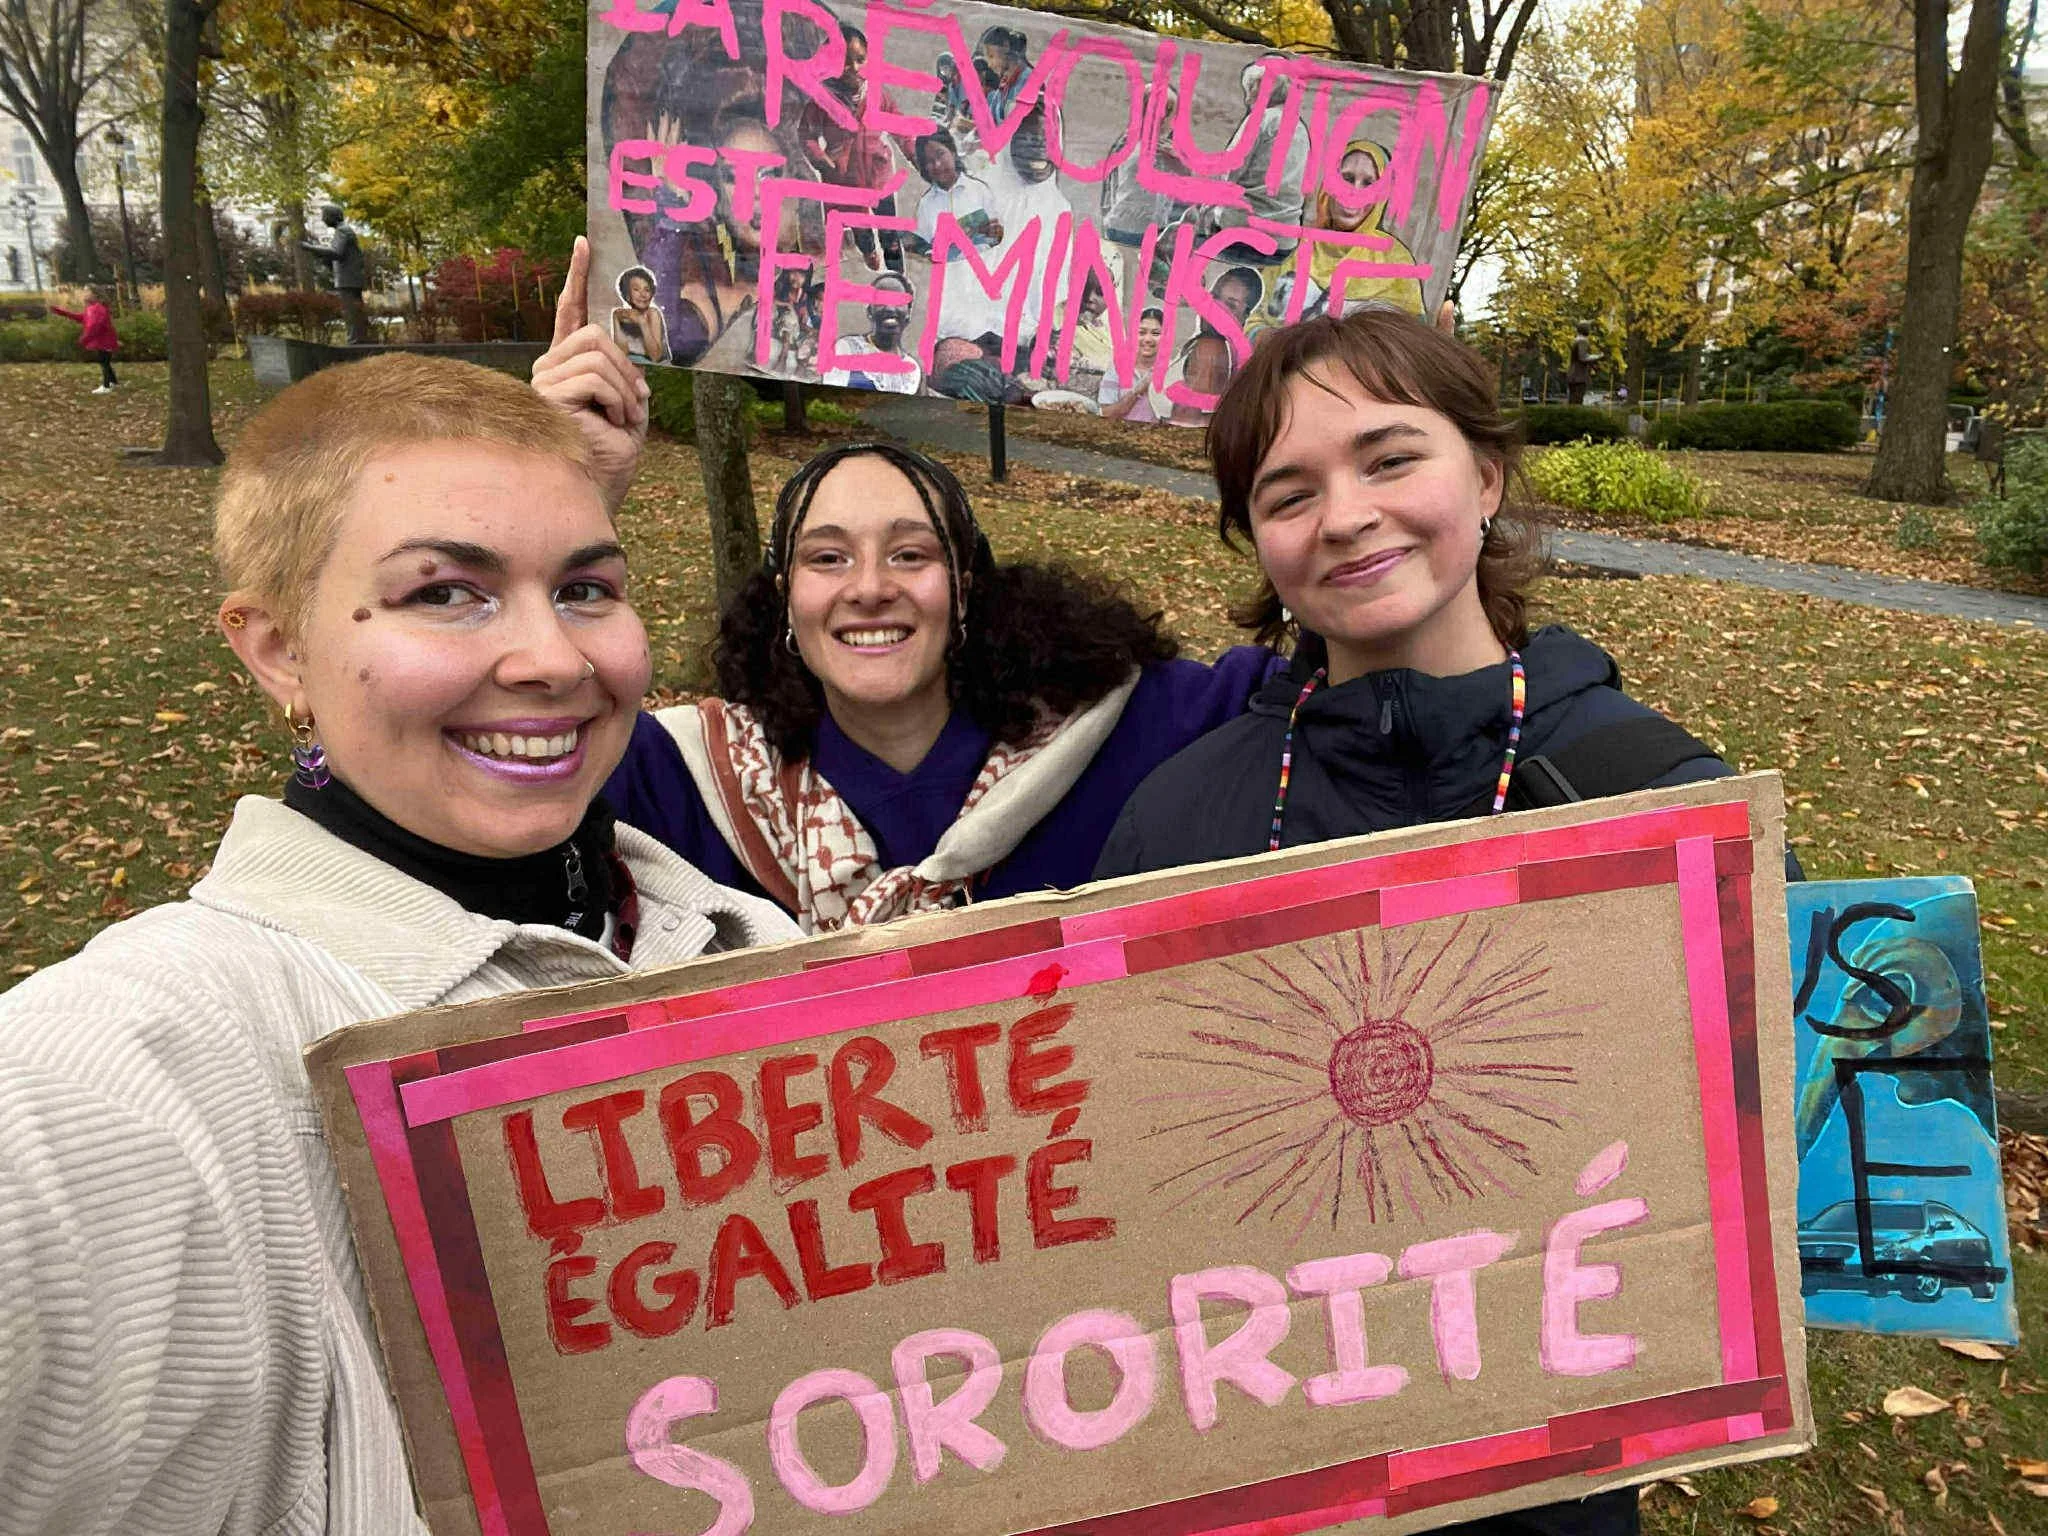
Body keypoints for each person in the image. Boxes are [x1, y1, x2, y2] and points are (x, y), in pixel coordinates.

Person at [0, 352, 796, 1534]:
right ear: (275, 650)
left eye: (585, 588)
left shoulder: (761, 952)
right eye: (445, 593)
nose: (555, 659)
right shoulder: (106, 1084)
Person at [798, 24, 915, 273]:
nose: (855, 69)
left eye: (861, 60)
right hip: (845, 181)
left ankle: (896, 278)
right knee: (860, 227)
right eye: (845, 62)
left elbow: (900, 128)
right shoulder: (822, 100)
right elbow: (806, 135)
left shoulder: (877, 95)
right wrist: (823, 163)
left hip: (879, 177)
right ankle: (868, 248)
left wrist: (918, 156)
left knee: (889, 232)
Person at [1304, 138, 1425, 319]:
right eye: (1347, 178)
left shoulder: (1395, 261)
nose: (1354, 191)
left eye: (1368, 183)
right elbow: (1254, 314)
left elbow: (1409, 339)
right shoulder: (1295, 246)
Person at [820, 269, 924, 393]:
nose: (890, 308)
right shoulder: (847, 349)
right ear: (870, 311)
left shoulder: (912, 371)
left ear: (908, 314)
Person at [1100, 306, 1167, 422]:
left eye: (1156, 333)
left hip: (1157, 438)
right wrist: (1138, 390)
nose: (1147, 339)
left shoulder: (1172, 372)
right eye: (1141, 332)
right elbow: (1105, 414)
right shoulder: (1117, 369)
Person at [49, 287, 119, 392]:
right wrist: (62, 312)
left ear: (95, 295)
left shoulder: (99, 309)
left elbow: (95, 326)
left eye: (87, 292)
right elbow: (82, 318)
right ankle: (113, 382)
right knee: (105, 362)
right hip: (101, 340)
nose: (84, 294)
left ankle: (106, 386)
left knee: (104, 362)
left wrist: (84, 339)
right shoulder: (91, 308)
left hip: (105, 340)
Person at [610, 264, 672, 363]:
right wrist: (616, 320)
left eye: (647, 290)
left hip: (658, 366)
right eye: (636, 289)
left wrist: (642, 322)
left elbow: (655, 357)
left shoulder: (653, 313)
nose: (643, 295)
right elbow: (622, 353)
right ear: (626, 294)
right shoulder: (623, 315)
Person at [1566, 320, 1601, 405]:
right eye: (1589, 328)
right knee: (1577, 400)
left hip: (1573, 374)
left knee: (1573, 400)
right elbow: (1583, 357)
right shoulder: (1582, 341)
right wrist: (1598, 357)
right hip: (1579, 375)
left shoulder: (1576, 339)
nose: (1590, 330)